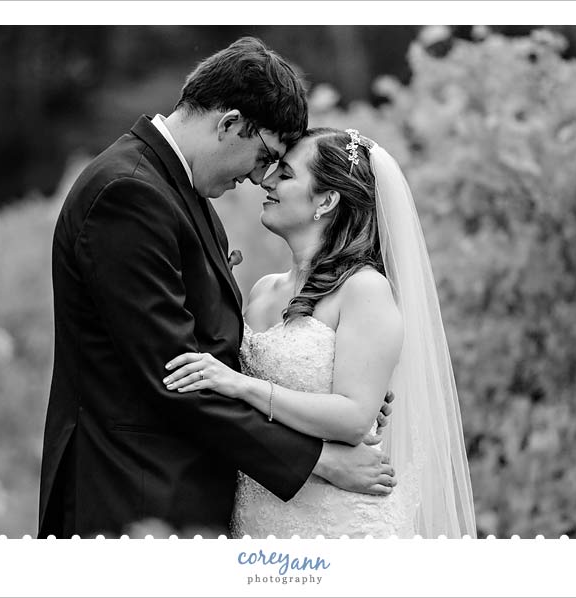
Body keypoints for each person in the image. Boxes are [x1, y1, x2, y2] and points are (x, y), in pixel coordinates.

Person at [38, 38, 396, 539]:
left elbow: (215, 351)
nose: (258, 178)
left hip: (185, 496)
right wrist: (317, 458)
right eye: (263, 155)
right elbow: (174, 377)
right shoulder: (129, 193)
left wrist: (335, 393)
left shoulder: (182, 194)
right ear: (229, 123)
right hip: (131, 493)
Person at [164, 128, 477, 538]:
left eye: (287, 174)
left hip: (338, 519)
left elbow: (351, 418)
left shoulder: (364, 289)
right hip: (260, 512)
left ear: (327, 201)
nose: (267, 180)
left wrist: (242, 386)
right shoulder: (262, 291)